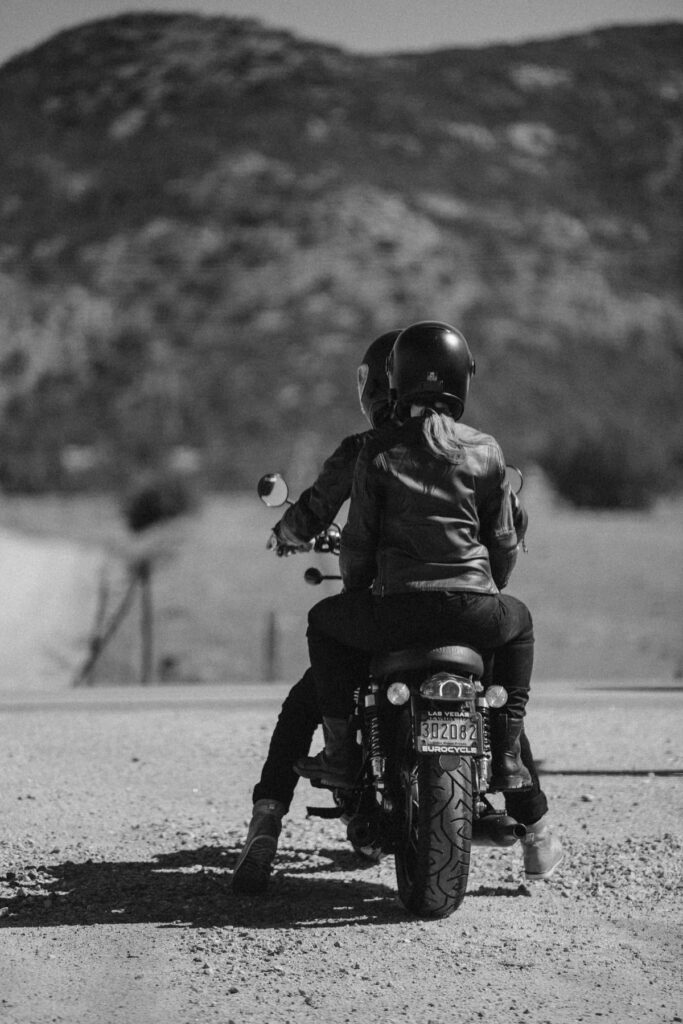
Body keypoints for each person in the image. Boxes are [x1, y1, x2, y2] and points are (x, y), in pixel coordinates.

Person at [233, 326, 560, 894]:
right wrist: (487, 588)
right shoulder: (485, 449)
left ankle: (324, 767)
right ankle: (510, 766)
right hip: (473, 608)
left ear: (390, 381)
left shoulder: (373, 451)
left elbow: (353, 541)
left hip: (392, 611)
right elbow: (503, 539)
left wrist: (360, 592)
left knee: (318, 650)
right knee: (506, 663)